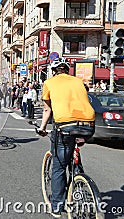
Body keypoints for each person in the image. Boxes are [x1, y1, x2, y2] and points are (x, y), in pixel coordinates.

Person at [37, 58, 95, 217]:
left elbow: (47, 110)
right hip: (88, 124)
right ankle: (78, 178)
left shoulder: (49, 83)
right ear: (68, 70)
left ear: (54, 71)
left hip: (65, 126)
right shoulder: (79, 81)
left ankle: (56, 206)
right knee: (74, 148)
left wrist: (42, 128)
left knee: (59, 167)